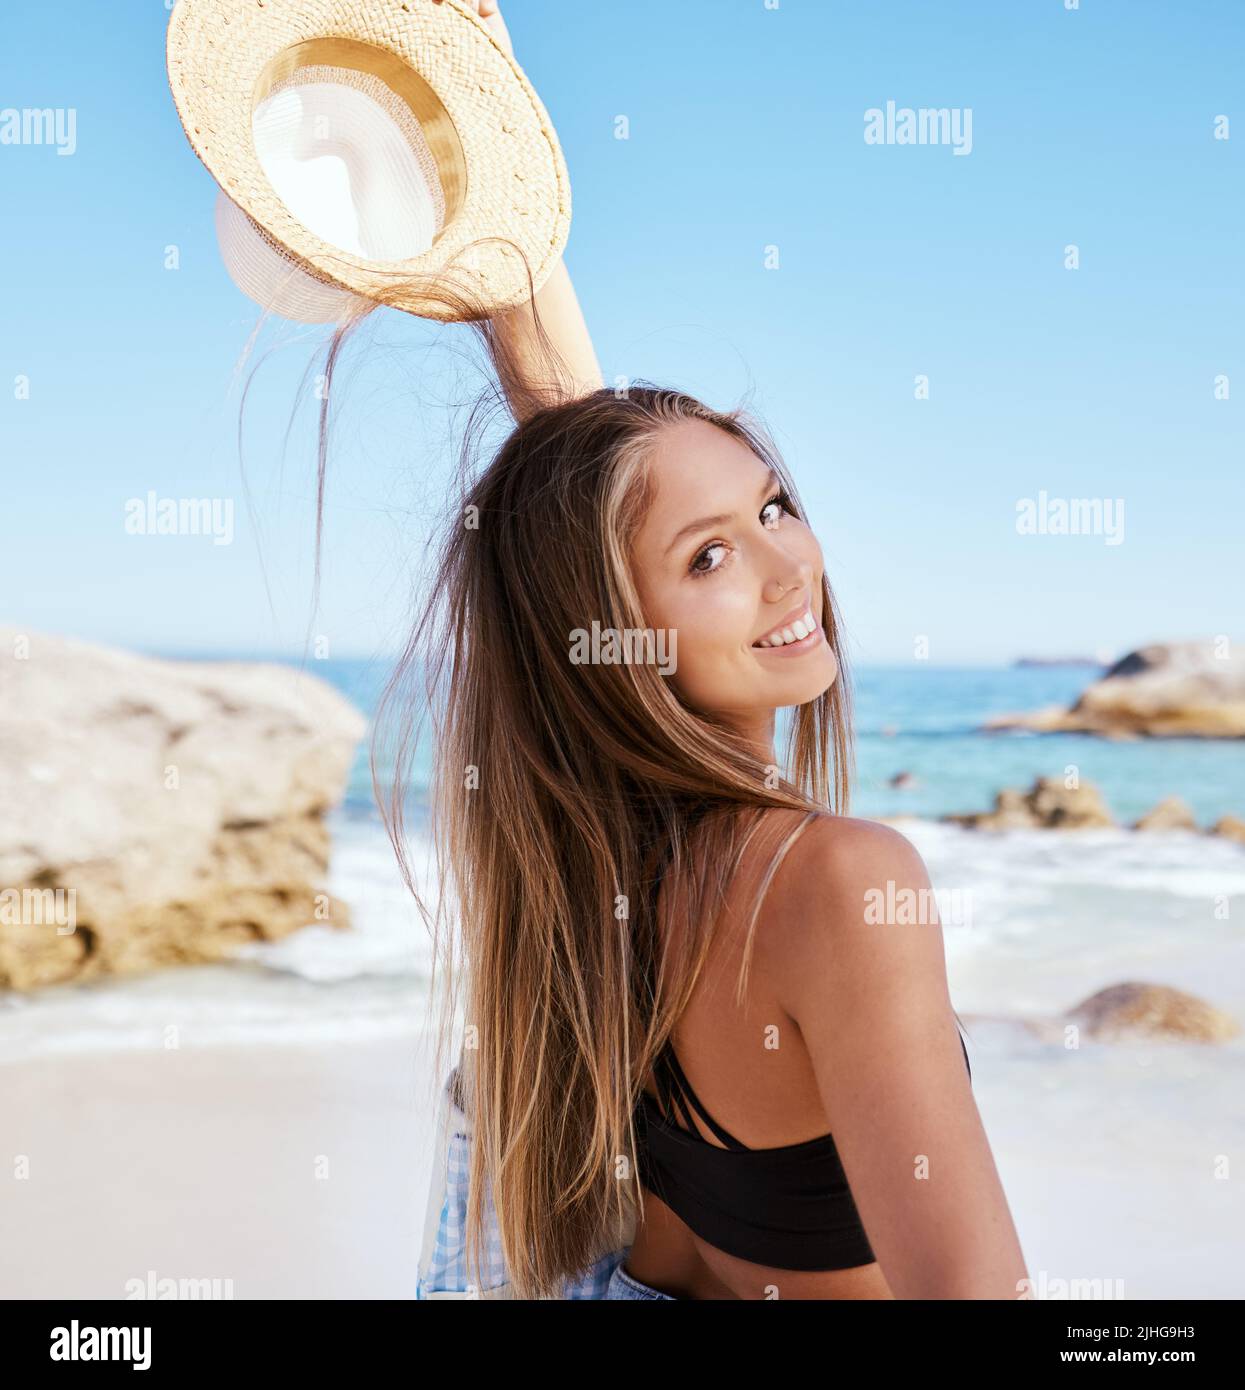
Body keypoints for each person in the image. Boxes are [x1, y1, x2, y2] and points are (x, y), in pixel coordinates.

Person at [370, 0, 1029, 1303]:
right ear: (611, 638)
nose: (791, 564)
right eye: (712, 557)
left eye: (774, 504)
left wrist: (479, 136)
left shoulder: (583, 851)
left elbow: (574, 494)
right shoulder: (835, 883)